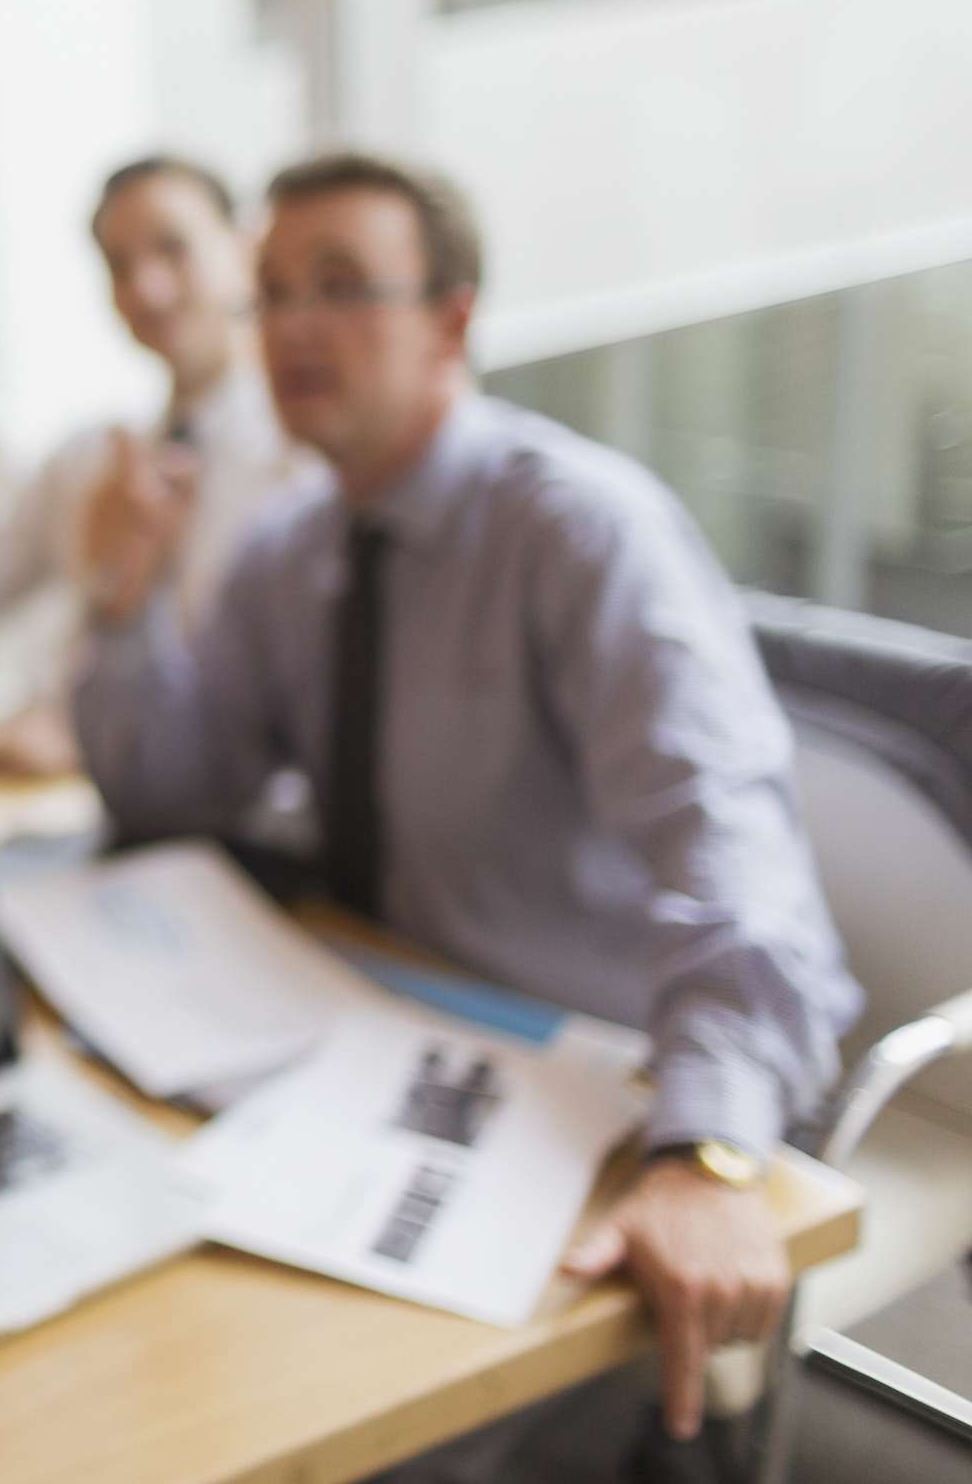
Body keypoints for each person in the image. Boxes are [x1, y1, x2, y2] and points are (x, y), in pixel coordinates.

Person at [72, 152, 861, 1458]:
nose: (294, 329)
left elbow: (742, 862)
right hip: (383, 1045)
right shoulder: (292, 548)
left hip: (593, 1099)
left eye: (340, 287)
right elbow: (173, 797)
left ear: (452, 319)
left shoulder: (581, 531)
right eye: (270, 294)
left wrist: (708, 1157)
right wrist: (121, 602)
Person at [0, 154, 310, 778]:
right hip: (57, 797)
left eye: (173, 249)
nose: (148, 289)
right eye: (120, 266)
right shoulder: (87, 459)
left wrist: (86, 732)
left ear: (244, 248)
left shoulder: (310, 474)